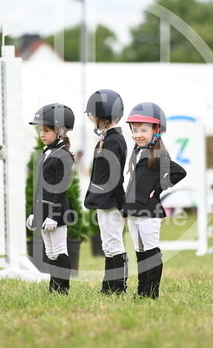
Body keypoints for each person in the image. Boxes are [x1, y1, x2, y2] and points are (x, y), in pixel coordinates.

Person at [123, 102, 186, 299]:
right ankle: (141, 290)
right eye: (135, 130)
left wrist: (158, 188)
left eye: (143, 130)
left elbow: (179, 172)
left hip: (149, 211)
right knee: (140, 253)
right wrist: (126, 208)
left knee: (151, 252)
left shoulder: (158, 154)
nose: (138, 134)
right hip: (134, 211)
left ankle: (151, 293)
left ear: (156, 130)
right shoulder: (138, 151)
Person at [26, 103, 75, 295]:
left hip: (57, 210)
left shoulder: (63, 155)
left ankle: (63, 289)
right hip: (43, 210)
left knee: (60, 249)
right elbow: (39, 188)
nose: (42, 134)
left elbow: (60, 189)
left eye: (46, 130)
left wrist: (54, 216)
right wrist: (33, 213)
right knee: (50, 252)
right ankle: (54, 288)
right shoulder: (46, 153)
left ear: (60, 131)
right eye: (41, 130)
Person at [83, 89, 128, 295]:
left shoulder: (113, 141)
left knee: (114, 244)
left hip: (111, 201)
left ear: (102, 115)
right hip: (104, 200)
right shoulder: (108, 139)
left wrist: (121, 203)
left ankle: (119, 286)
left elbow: (114, 177)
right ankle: (108, 286)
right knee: (108, 245)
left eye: (93, 114)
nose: (91, 118)